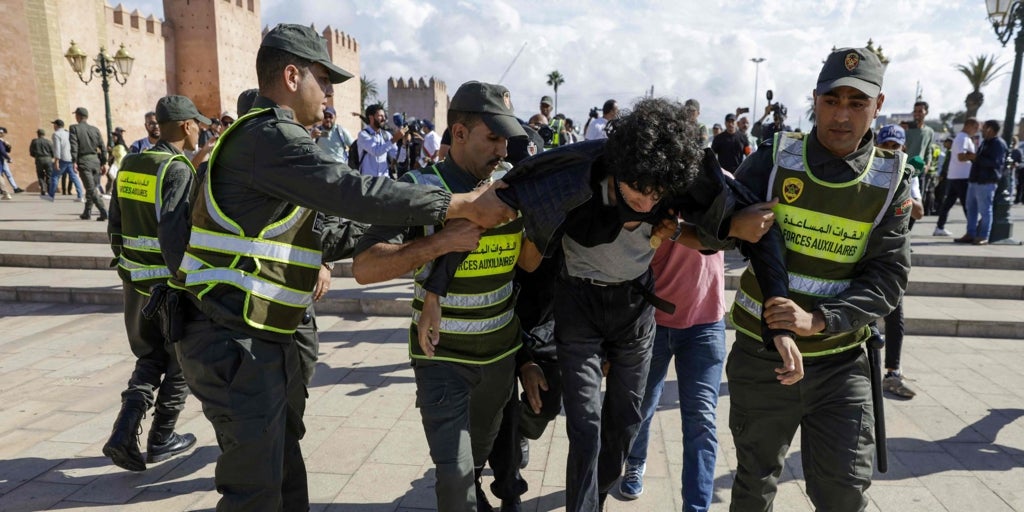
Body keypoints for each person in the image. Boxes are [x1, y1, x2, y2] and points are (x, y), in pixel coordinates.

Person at [167, 24, 514, 512]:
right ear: (292, 75)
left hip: (257, 335)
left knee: (284, 477)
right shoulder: (269, 136)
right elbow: (353, 191)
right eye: (323, 79)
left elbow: (333, 231)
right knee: (255, 492)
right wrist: (455, 203)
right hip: (230, 335)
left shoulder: (278, 146)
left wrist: (424, 237)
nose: (329, 93)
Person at [545, 98, 785, 512]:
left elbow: (720, 229)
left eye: (656, 193)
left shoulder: (683, 189)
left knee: (628, 420)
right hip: (582, 305)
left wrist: (730, 229)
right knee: (585, 423)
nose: (644, 200)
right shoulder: (582, 183)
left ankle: (608, 490)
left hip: (644, 313)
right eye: (637, 190)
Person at [728, 47, 911, 512]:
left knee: (843, 493)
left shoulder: (891, 180)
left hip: (841, 363)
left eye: (857, 103)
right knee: (754, 486)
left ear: (878, 104)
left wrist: (820, 321)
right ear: (815, 99)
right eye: (832, 101)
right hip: (762, 356)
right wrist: (732, 227)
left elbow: (889, 277)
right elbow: (713, 221)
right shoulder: (774, 158)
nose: (842, 115)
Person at [352, 81, 541, 512]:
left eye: (505, 139)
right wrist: (440, 243)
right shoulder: (418, 186)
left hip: (498, 360)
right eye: (491, 138)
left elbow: (528, 264)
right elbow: (364, 267)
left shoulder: (513, 187)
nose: (501, 150)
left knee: (472, 465)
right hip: (441, 361)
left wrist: (548, 225)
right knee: (455, 482)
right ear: (458, 133)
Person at [102, 95, 207, 472]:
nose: (201, 128)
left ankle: (123, 433)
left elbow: (114, 223)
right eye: (197, 122)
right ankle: (161, 437)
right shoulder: (176, 169)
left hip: (135, 283)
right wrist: (188, 282)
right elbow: (173, 233)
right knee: (179, 362)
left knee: (149, 357)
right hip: (168, 287)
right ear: (184, 126)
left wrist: (126, 268)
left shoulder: (130, 163)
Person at [619, 237, 726, 509]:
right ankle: (635, 460)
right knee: (641, 408)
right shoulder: (655, 195)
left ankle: (696, 507)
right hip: (652, 320)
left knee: (701, 420)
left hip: (706, 322)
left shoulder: (720, 194)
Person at [875, 125, 924, 400]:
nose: (892, 151)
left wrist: (902, 184)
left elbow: (919, 211)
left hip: (893, 255)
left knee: (895, 315)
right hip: (865, 252)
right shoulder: (870, 170)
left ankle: (892, 372)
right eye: (887, 146)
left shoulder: (908, 176)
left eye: (896, 147)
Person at [956, 119, 1007, 245]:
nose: (981, 130)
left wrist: (976, 158)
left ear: (990, 129)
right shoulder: (985, 142)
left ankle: (984, 235)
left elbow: (996, 163)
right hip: (975, 181)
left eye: (983, 128)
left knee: (985, 210)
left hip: (986, 182)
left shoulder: (998, 144)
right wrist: (972, 157)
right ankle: (970, 233)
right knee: (971, 209)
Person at [934, 119, 978, 237]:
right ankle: (972, 230)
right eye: (975, 127)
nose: (976, 131)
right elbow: (961, 157)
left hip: (956, 175)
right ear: (969, 126)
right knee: (967, 204)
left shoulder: (963, 138)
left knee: (948, 203)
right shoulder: (963, 138)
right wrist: (975, 157)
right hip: (961, 177)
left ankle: (939, 227)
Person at [69, 107, 108, 221]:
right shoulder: (95, 129)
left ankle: (103, 210)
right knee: (92, 188)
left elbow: (74, 145)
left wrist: (74, 161)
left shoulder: (74, 128)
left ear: (78, 116)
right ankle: (87, 212)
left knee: (91, 189)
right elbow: (102, 146)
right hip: (95, 161)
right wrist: (104, 162)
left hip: (84, 161)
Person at [357, 103, 402, 177]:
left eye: (384, 116)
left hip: (384, 181)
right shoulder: (363, 135)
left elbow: (399, 157)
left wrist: (403, 144)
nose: (384, 119)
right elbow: (376, 151)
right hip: (368, 182)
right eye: (380, 116)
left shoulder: (387, 135)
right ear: (371, 117)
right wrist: (394, 139)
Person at [50, 119, 85, 200]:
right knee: (74, 177)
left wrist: (56, 161)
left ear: (56, 125)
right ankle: (80, 195)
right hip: (71, 158)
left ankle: (51, 195)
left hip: (62, 158)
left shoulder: (56, 134)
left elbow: (57, 148)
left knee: (55, 176)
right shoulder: (68, 133)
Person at [29, 128, 55, 199]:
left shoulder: (34, 142)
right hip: (48, 159)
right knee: (49, 175)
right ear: (44, 134)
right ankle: (49, 189)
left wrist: (36, 156)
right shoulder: (48, 142)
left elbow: (31, 152)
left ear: (38, 134)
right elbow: (53, 152)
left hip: (39, 159)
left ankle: (43, 188)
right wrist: (51, 157)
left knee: (40, 174)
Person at [0, 127, 23, 194]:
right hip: (2, 160)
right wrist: (8, 158)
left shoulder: (2, 141)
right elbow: (2, 151)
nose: (4, 134)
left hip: (2, 160)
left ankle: (15, 188)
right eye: (3, 133)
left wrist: (8, 146)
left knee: (7, 174)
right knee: (4, 175)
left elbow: (7, 150)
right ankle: (7, 189)